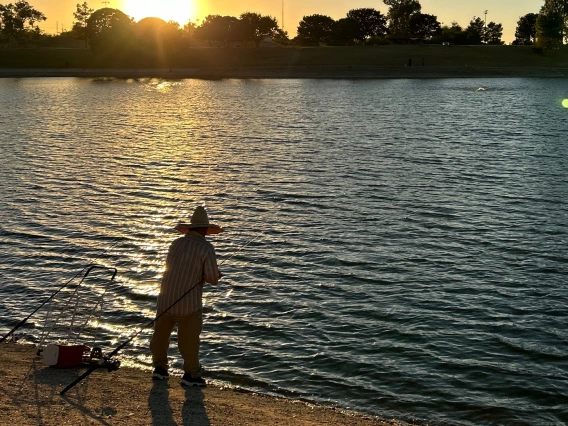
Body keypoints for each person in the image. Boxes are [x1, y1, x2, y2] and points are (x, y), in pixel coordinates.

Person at [150, 206, 223, 387]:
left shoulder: (176, 243)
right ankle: (191, 375)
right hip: (189, 305)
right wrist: (217, 274)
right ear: (205, 229)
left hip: (165, 299)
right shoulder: (206, 248)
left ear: (190, 228)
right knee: (189, 341)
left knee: (160, 337)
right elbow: (212, 279)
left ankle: (160, 369)